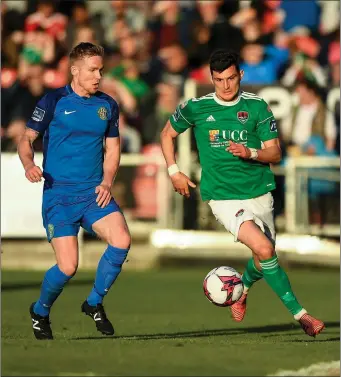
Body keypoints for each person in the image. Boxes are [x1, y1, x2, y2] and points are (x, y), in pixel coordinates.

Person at [160, 49, 325, 338]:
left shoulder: (258, 107)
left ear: (241, 75)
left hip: (259, 192)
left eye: (231, 78)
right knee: (264, 249)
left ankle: (242, 290)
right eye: (218, 79)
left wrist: (250, 152)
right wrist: (174, 171)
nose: (225, 86)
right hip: (222, 196)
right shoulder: (196, 107)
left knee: (263, 257)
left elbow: (274, 152)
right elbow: (167, 134)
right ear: (211, 78)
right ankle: (303, 316)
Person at [17, 42, 131, 340]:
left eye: (101, 70)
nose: (98, 76)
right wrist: (29, 164)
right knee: (68, 266)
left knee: (121, 240)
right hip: (60, 196)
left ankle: (93, 302)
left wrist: (107, 182)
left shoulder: (107, 105)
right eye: (93, 70)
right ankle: (40, 310)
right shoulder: (53, 100)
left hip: (93, 193)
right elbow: (26, 139)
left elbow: (113, 148)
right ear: (75, 70)